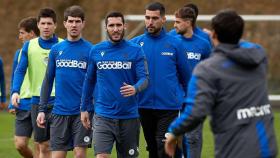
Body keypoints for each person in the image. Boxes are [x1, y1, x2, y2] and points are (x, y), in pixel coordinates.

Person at [165, 9, 279, 158]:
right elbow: (241, 44)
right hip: (267, 147)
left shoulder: (208, 69)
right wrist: (227, 36)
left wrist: (174, 131)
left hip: (234, 150)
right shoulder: (259, 54)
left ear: (214, 34)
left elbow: (195, 112)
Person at [80, 11, 149, 158]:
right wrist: (84, 108)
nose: (115, 29)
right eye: (111, 25)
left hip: (129, 116)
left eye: (119, 25)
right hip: (103, 116)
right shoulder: (96, 50)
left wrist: (135, 88)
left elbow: (145, 78)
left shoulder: (136, 50)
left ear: (125, 26)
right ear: (106, 28)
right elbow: (89, 80)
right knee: (101, 156)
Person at [130, 2, 190, 158]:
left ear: (163, 19)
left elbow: (187, 78)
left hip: (169, 107)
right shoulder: (135, 44)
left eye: (155, 18)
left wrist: (185, 102)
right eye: (147, 18)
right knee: (152, 149)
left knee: (163, 147)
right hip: (143, 106)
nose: (150, 22)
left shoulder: (176, 44)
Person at [36, 5, 93, 158]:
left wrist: (91, 107)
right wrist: (42, 109)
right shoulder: (56, 50)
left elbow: (96, 83)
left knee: (80, 154)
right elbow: (48, 80)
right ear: (65, 23)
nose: (74, 25)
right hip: (59, 112)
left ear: (83, 23)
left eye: (77, 21)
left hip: (82, 113)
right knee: (57, 156)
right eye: (71, 21)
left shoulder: (91, 50)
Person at [12, 8, 63, 158]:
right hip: (38, 102)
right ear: (38, 26)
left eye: (49, 23)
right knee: (43, 146)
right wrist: (15, 91)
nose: (46, 26)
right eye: (43, 23)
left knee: (59, 146)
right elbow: (20, 71)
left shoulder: (63, 45)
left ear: (55, 25)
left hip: (60, 101)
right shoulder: (29, 46)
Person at [173, 6, 212, 158]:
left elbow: (209, 71)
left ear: (188, 22)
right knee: (176, 136)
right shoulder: (173, 42)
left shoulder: (203, 44)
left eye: (177, 22)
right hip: (175, 98)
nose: (174, 25)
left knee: (193, 137)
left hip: (196, 98)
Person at [8, 17, 40, 158]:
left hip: (40, 102)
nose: (19, 36)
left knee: (40, 145)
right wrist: (11, 101)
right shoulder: (19, 53)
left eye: (22, 33)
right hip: (22, 104)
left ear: (31, 33)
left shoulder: (47, 50)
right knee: (20, 144)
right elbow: (16, 76)